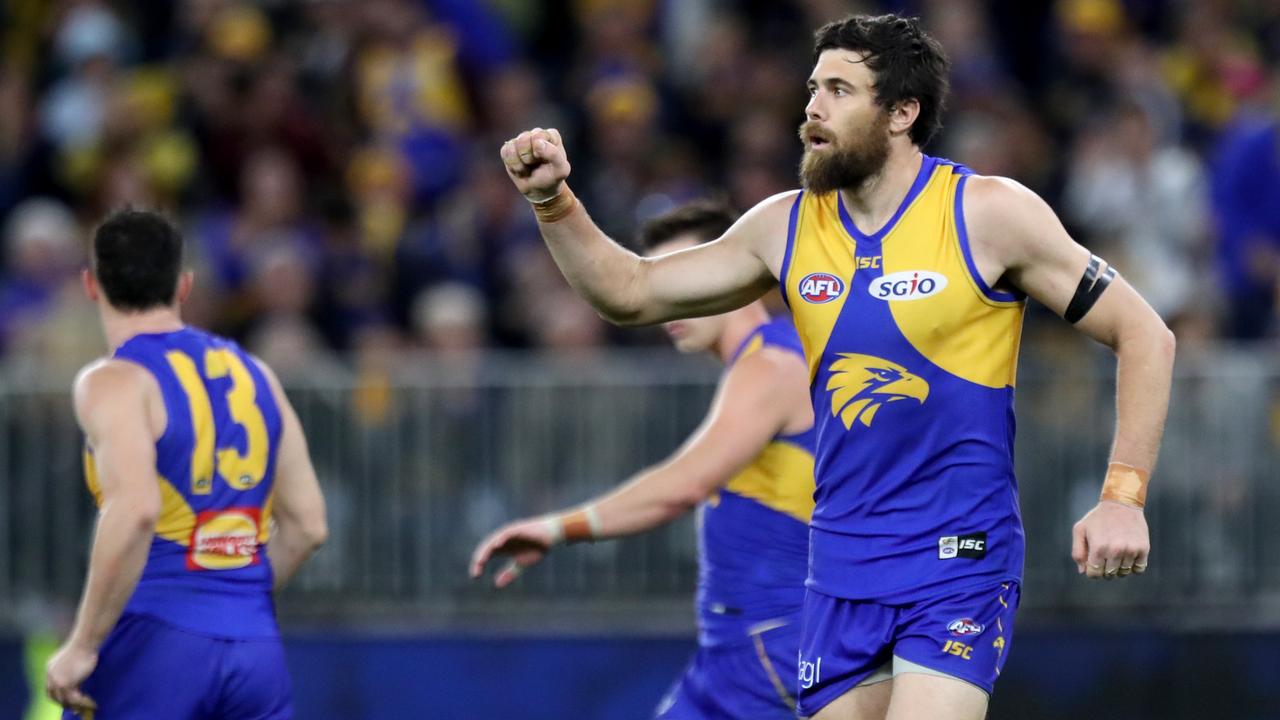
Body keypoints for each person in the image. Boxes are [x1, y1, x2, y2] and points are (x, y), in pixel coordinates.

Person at [496, 13, 1175, 720]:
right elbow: (629, 291)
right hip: (838, 569)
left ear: (902, 114)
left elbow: (1144, 334)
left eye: (840, 91)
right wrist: (554, 200)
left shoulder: (987, 213)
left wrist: (1122, 497)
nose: (812, 108)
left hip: (957, 557)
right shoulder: (784, 226)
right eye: (813, 88)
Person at [470, 201, 817, 719]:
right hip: (748, 652)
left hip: (772, 650)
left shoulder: (771, 365)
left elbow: (683, 485)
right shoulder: (774, 359)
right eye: (664, 282)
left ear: (738, 276)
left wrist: (558, 528)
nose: (673, 302)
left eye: (690, 277)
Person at [44, 209, 329, 719]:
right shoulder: (256, 372)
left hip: (152, 640)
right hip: (255, 646)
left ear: (91, 285)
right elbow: (308, 526)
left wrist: (83, 644)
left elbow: (134, 510)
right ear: (184, 285)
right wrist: (231, 600)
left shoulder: (115, 381)